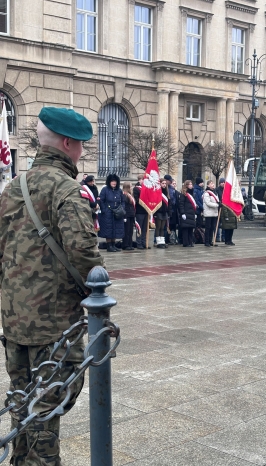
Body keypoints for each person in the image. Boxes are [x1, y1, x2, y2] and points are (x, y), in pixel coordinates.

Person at [0, 106, 104, 466]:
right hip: (55, 321)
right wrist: (98, 293)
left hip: (14, 318)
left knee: (21, 396)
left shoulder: (12, 188)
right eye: (80, 146)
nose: (81, 153)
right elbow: (82, 250)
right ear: (66, 144)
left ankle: (20, 460)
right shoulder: (66, 188)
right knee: (50, 401)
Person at [99, 173, 125, 252]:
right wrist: (104, 210)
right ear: (109, 182)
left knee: (116, 229)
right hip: (108, 212)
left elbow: (123, 201)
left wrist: (122, 209)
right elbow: (101, 200)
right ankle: (109, 246)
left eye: (115, 181)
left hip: (117, 213)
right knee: (108, 230)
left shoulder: (119, 190)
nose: (114, 183)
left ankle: (113, 245)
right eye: (112, 181)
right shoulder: (105, 189)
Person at [154, 178, 171, 248]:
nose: (164, 185)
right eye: (163, 183)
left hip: (165, 212)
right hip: (158, 212)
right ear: (160, 184)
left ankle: (162, 241)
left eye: (165, 183)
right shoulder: (157, 191)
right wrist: (154, 213)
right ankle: (158, 242)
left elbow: (169, 203)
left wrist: (169, 212)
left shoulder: (166, 192)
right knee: (158, 227)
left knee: (163, 227)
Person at [179, 180, 196, 247]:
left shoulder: (192, 193)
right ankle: (186, 243)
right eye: (189, 184)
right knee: (186, 229)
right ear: (186, 185)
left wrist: (195, 213)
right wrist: (182, 213)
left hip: (191, 213)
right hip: (186, 213)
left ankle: (190, 242)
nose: (191, 185)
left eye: (191, 184)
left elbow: (194, 204)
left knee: (191, 228)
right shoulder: (184, 194)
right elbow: (181, 204)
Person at [133, 174, 149, 250]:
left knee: (145, 228)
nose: (143, 181)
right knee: (139, 228)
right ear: (139, 180)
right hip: (139, 211)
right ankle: (139, 243)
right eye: (142, 179)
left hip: (146, 211)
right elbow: (136, 200)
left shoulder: (147, 188)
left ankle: (144, 242)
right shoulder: (136, 189)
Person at [203, 180, 220, 247]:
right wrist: (217, 205)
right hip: (209, 213)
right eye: (211, 183)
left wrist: (219, 203)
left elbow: (217, 200)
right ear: (208, 185)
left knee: (213, 228)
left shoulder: (215, 193)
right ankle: (206, 241)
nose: (213, 184)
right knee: (208, 227)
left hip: (214, 213)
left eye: (213, 183)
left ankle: (211, 241)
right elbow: (208, 203)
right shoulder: (207, 193)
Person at [122, 181, 136, 251]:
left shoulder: (131, 195)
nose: (132, 187)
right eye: (130, 186)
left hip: (131, 215)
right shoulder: (124, 195)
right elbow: (125, 206)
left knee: (131, 231)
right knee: (126, 230)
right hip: (127, 215)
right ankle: (125, 244)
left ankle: (130, 244)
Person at [215, 177, 226, 242]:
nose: (223, 183)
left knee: (224, 224)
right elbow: (216, 199)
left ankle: (223, 237)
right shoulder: (217, 190)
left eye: (224, 182)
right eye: (222, 182)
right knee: (218, 224)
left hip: (225, 209)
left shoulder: (226, 190)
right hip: (219, 208)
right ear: (219, 183)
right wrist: (219, 203)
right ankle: (217, 237)